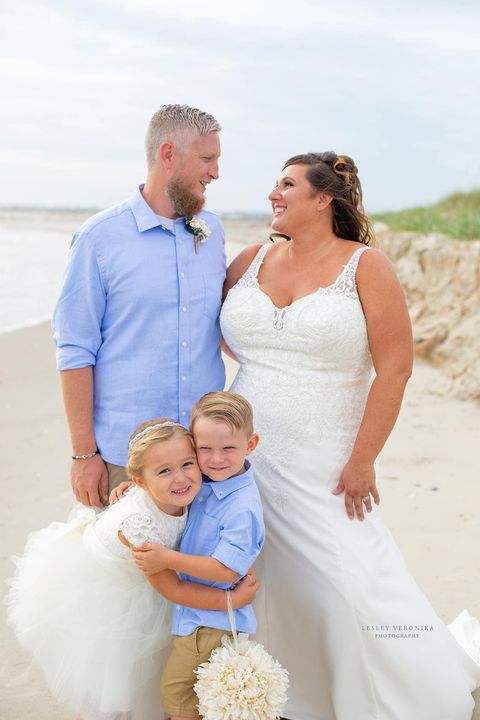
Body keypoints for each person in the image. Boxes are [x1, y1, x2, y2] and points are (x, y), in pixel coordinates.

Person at [220, 152, 480, 719]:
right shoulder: (247, 260)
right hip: (241, 456)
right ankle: (283, 690)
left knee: (349, 580)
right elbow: (219, 337)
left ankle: (397, 690)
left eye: (286, 184)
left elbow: (396, 367)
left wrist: (363, 459)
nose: (273, 193)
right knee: (257, 570)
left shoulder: (366, 266)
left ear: (323, 199)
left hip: (327, 455)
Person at [6, 419, 258, 720]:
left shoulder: (185, 488)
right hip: (109, 590)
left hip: (146, 574)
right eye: (164, 471)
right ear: (141, 481)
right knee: (113, 688)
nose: (180, 478)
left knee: (149, 678)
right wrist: (232, 601)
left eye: (187, 464)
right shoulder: (139, 528)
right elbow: (173, 590)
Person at [53, 104, 225, 509]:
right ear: (168, 154)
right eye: (207, 159)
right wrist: (83, 454)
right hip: (126, 460)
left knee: (201, 571)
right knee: (128, 570)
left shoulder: (212, 232)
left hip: (203, 455)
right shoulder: (99, 238)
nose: (215, 173)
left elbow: (221, 326)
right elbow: (75, 350)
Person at [130, 391, 265, 720]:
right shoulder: (205, 480)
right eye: (205, 449)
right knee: (204, 694)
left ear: (251, 444)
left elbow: (225, 570)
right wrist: (137, 491)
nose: (216, 459)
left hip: (211, 622)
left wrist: (167, 560)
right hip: (195, 615)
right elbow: (167, 485)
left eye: (228, 448)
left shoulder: (242, 507)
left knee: (177, 693)